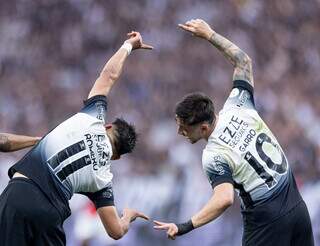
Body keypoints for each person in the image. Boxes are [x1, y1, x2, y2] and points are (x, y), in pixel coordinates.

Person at [153, 19, 314, 246]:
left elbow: (224, 198)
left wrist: (184, 226)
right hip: (297, 208)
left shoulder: (213, 154)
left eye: (184, 127)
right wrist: (209, 34)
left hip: (266, 223)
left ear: (204, 128)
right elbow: (243, 61)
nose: (179, 132)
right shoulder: (238, 103)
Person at [0, 31, 153, 246]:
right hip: (49, 212)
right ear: (117, 158)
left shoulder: (93, 116)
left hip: (18, 192)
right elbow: (116, 232)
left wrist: (128, 45)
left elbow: (108, 75)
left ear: (108, 125)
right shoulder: (103, 180)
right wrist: (128, 216)